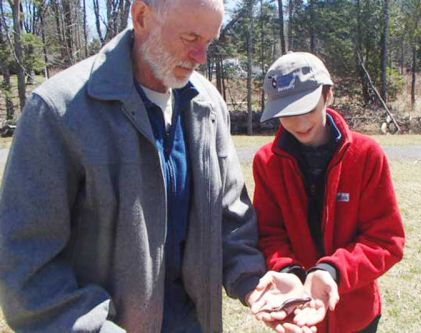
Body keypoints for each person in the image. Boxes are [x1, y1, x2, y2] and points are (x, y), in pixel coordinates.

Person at [0, 0, 301, 332]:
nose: (201, 57)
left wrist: (252, 281)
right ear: (142, 16)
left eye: (209, 42)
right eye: (190, 38)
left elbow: (231, 219)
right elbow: (26, 267)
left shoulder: (208, 105)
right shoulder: (59, 110)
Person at [252, 52, 406, 333]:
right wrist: (290, 274)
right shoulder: (266, 162)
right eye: (286, 112)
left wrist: (332, 272)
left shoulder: (367, 155)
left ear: (328, 95)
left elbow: (386, 240)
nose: (298, 123)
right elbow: (269, 234)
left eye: (307, 109)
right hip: (296, 313)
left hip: (357, 316)